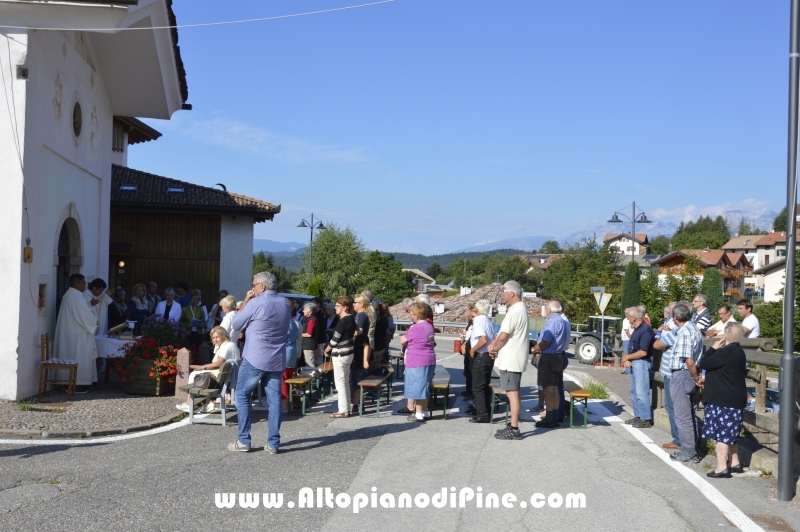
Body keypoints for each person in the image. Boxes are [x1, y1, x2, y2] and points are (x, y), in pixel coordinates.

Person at [229, 272, 290, 453]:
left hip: (255, 357)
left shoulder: (256, 302)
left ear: (262, 286)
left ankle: (244, 440)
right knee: (274, 401)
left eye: (254, 285)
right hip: (277, 358)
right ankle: (273, 443)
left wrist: (246, 301)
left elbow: (237, 323)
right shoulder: (285, 304)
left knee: (242, 395)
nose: (252, 288)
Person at [699, 322, 748, 478]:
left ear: (726, 334)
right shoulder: (739, 351)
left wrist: (713, 348)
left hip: (722, 400)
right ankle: (735, 463)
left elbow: (704, 363)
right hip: (735, 398)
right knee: (731, 432)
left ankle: (721, 468)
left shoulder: (725, 352)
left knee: (722, 435)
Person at [488, 281, 529, 441]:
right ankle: (512, 425)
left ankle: (514, 428)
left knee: (512, 393)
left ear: (512, 293)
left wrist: (494, 348)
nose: (503, 294)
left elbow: (504, 335)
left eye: (504, 291)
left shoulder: (515, 311)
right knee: (513, 392)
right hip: (512, 358)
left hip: (511, 360)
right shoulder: (519, 309)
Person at [665, 303, 705, 463]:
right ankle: (693, 448)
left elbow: (688, 360)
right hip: (688, 375)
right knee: (690, 413)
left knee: (682, 416)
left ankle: (688, 451)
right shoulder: (694, 329)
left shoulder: (685, 332)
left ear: (675, 317)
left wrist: (695, 377)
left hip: (682, 375)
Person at [653, 300, 691, 451]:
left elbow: (657, 344)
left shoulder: (677, 330)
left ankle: (679, 440)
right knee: (679, 408)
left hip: (674, 373)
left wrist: (664, 343)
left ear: (676, 317)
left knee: (673, 407)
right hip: (678, 372)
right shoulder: (689, 328)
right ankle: (681, 439)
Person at [53, 274, 99, 394]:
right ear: (76, 284)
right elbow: (86, 317)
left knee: (70, 355)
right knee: (78, 357)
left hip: (71, 333)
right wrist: (95, 321)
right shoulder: (76, 298)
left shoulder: (70, 296)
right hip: (78, 336)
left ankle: (67, 382)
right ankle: (77, 384)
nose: (85, 285)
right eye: (83, 283)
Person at [178, 326, 240, 412]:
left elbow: (218, 363)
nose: (215, 340)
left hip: (220, 376)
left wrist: (201, 367)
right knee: (202, 375)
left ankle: (189, 404)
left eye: (217, 337)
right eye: (213, 337)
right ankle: (208, 402)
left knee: (194, 374)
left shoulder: (226, 347)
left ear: (224, 335)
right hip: (226, 375)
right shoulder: (231, 344)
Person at [531, 300, 570, 428]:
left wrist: (534, 349)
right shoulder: (562, 320)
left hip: (549, 357)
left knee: (548, 388)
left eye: (546, 308)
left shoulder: (552, 321)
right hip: (558, 356)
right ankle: (553, 417)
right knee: (554, 389)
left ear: (549, 310)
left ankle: (549, 417)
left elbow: (545, 342)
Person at [399, 303, 437, 422]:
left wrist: (406, 337)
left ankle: (418, 413)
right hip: (429, 359)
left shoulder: (414, 328)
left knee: (418, 387)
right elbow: (431, 342)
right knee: (425, 385)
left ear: (416, 316)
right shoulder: (430, 327)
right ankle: (424, 411)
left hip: (417, 360)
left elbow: (402, 340)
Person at [620, 306, 655, 429]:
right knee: (634, 391)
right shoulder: (637, 329)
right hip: (635, 362)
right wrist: (627, 357)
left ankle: (645, 418)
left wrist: (628, 357)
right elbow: (632, 346)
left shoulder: (645, 330)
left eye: (628, 316)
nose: (627, 318)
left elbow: (643, 352)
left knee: (641, 391)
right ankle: (638, 416)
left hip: (642, 362)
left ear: (633, 318)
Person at [325, 296, 357, 418]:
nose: (335, 308)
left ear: (345, 307)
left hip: (340, 354)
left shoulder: (343, 321)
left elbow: (334, 340)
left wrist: (327, 350)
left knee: (340, 383)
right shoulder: (351, 319)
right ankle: (347, 408)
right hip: (349, 353)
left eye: (338, 306)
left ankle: (343, 410)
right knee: (345, 381)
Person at [469, 299, 496, 423]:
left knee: (477, 387)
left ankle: (482, 414)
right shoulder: (488, 321)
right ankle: (486, 412)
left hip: (481, 356)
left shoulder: (479, 320)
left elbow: (483, 339)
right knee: (484, 386)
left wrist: (473, 349)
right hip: (488, 357)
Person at [351, 294, 374, 409]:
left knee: (357, 379)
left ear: (361, 304)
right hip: (361, 346)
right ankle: (360, 403)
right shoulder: (364, 315)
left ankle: (356, 404)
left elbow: (359, 331)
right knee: (359, 379)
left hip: (359, 349)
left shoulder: (361, 315)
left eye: (355, 302)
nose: (353, 304)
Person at [281, 300, 301, 413]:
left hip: (285, 353)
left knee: (283, 381)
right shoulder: (292, 321)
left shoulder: (285, 322)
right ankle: (287, 406)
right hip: (291, 352)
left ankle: (284, 408)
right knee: (287, 380)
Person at [460, 306, 475, 404]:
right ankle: (468, 391)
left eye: (466, 310)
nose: (465, 312)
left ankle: (471, 394)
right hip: (467, 350)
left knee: (470, 372)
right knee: (467, 371)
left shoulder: (475, 322)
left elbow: (471, 336)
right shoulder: (469, 322)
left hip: (470, 350)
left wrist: (465, 340)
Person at [300, 302, 320, 367]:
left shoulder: (312, 320)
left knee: (310, 365)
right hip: (307, 345)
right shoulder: (309, 319)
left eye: (305, 310)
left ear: (310, 312)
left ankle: (312, 377)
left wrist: (299, 334)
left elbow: (309, 334)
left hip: (309, 346)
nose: (303, 311)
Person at [372, 302, 390, 367]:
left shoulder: (379, 321)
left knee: (374, 364)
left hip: (376, 344)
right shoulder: (385, 319)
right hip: (382, 343)